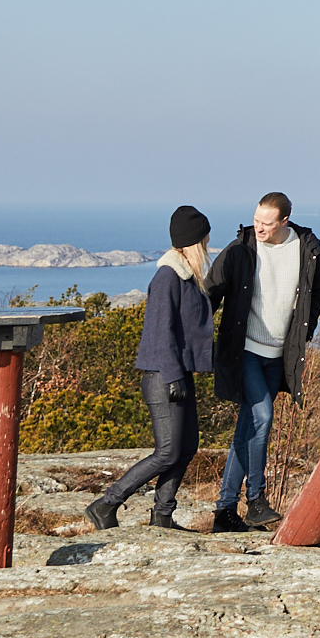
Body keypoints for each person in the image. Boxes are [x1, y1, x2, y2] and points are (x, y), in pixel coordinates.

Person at [83, 206, 215, 531]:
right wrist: (173, 376)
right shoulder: (168, 276)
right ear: (195, 241)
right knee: (168, 451)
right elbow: (160, 331)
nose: (208, 245)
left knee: (187, 447)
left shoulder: (188, 277)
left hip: (177, 373)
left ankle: (162, 516)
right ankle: (106, 504)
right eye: (205, 239)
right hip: (163, 376)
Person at [203, 190, 320, 531]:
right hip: (245, 350)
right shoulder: (241, 248)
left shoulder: (306, 250)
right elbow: (210, 292)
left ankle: (225, 511)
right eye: (256, 220)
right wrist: (192, 337)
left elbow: (317, 292)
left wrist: (304, 331)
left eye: (266, 224)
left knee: (248, 427)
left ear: (284, 221)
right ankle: (256, 499)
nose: (258, 228)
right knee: (263, 416)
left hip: (278, 356)